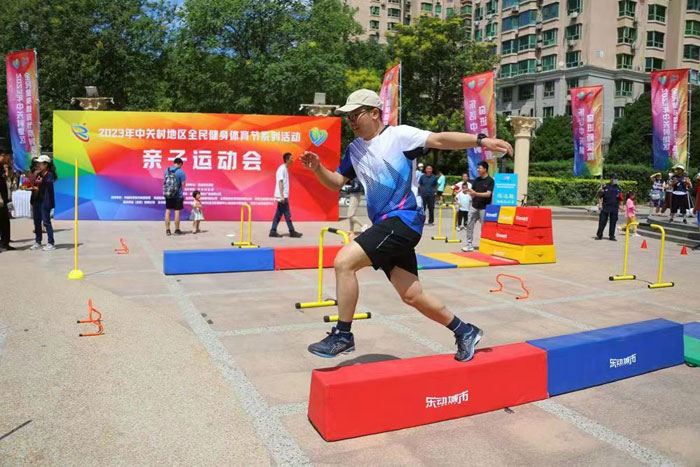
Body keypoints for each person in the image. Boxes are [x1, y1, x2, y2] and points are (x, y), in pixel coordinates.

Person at [298, 88, 513, 362]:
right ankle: (465, 331)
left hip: (403, 220)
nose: (351, 121)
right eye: (348, 116)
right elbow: (337, 183)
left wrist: (481, 141)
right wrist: (317, 168)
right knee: (412, 294)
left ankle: (343, 335)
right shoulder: (354, 150)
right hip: (388, 226)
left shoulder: (398, 136)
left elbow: (439, 139)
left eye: (356, 114)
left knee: (344, 263)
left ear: (374, 113)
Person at [462, 161, 494, 252]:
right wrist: (468, 191)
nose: (478, 170)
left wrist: (475, 193)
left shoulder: (490, 181)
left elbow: (488, 194)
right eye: (477, 168)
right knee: (469, 225)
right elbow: (473, 192)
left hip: (484, 208)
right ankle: (469, 244)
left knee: (484, 227)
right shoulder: (476, 180)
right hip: (474, 206)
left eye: (479, 168)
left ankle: (484, 245)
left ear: (485, 169)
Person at [269, 152, 302, 238]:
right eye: (291, 158)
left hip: (283, 195)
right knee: (287, 214)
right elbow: (280, 182)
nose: (293, 160)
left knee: (279, 214)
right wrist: (282, 196)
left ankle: (273, 231)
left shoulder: (285, 169)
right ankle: (292, 231)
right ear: (287, 160)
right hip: (283, 196)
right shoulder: (282, 169)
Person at [29, 155, 57, 251]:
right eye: (38, 163)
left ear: (46, 164)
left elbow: (48, 184)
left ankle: (51, 243)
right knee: (37, 222)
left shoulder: (49, 174)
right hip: (37, 201)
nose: (38, 164)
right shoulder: (39, 174)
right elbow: (36, 186)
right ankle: (38, 241)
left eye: (40, 163)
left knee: (46, 222)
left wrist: (41, 184)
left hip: (45, 201)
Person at [595, 174, 623, 241]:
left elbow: (621, 198)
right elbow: (600, 196)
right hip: (606, 207)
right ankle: (599, 235)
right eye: (614, 179)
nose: (615, 180)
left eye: (616, 179)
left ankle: (611, 236)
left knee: (613, 222)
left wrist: (622, 206)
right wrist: (600, 204)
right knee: (602, 221)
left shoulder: (618, 188)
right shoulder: (605, 187)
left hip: (614, 207)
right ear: (611, 179)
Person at [163, 157, 186, 235]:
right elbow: (183, 184)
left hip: (168, 194)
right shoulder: (181, 172)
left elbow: (164, 181)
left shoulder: (167, 170)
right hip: (178, 195)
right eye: (181, 165)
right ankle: (176, 230)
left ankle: (167, 230)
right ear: (180, 164)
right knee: (177, 212)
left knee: (168, 211)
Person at [0, 149, 13, 251]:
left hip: (4, 199)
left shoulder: (1, 167)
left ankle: (5, 243)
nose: (10, 159)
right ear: (3, 155)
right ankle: (3, 244)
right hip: (0, 200)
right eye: (9, 157)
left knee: (5, 221)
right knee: (3, 220)